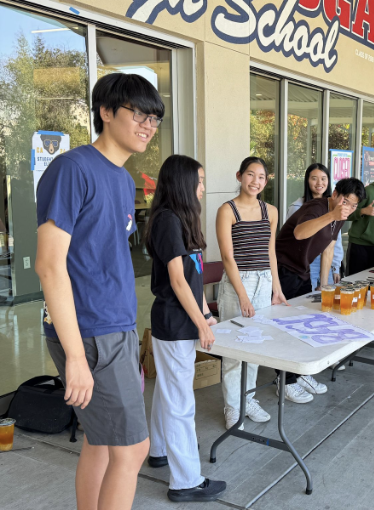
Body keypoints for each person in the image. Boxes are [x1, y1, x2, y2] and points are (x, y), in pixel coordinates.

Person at [35, 73, 163, 509]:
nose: (148, 125)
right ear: (106, 113)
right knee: (132, 449)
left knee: (102, 442)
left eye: (155, 118)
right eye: (139, 114)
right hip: (90, 332)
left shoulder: (125, 181)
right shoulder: (72, 168)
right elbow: (49, 266)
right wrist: (74, 356)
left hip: (116, 327)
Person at [144, 155, 227, 502]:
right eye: (200, 180)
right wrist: (200, 323)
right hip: (174, 323)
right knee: (180, 401)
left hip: (182, 320)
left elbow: (192, 278)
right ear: (182, 183)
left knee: (169, 390)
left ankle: (160, 450)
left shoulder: (180, 219)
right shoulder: (166, 221)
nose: (203, 187)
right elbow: (177, 282)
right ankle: (185, 481)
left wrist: (207, 313)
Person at [275, 178, 365, 402]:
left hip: (302, 270)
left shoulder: (340, 215)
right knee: (285, 328)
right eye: (345, 201)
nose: (348, 208)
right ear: (334, 194)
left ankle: (299, 374)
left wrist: (323, 286)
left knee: (304, 325)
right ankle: (284, 382)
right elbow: (299, 233)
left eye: (353, 205)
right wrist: (332, 215)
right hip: (283, 269)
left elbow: (328, 248)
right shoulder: (316, 208)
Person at [216, 157, 287, 429]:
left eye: (260, 177)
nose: (255, 181)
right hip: (237, 285)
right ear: (239, 176)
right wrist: (243, 296)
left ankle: (249, 400)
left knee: (255, 346)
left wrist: (276, 289)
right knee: (235, 350)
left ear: (266, 181)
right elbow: (226, 256)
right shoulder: (227, 210)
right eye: (249, 174)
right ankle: (233, 407)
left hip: (264, 280)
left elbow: (270, 252)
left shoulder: (271, 210)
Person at [287, 163, 344, 286]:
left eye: (323, 178)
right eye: (314, 178)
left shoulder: (335, 207)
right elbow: (292, 240)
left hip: (328, 261)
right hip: (306, 263)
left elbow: (336, 240)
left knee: (326, 299)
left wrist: (336, 266)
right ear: (307, 181)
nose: (319, 183)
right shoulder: (297, 207)